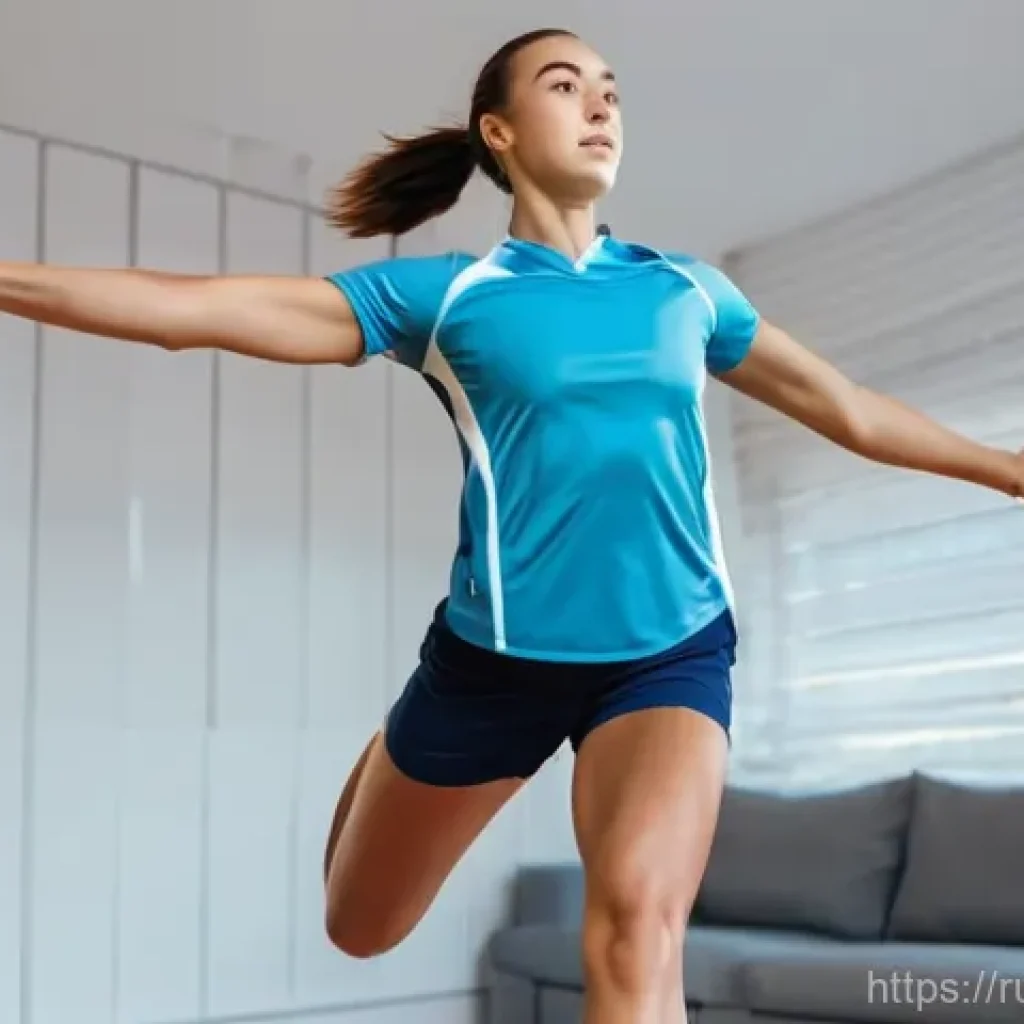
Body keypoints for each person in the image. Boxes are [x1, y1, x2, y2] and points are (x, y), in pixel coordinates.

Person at [1, 26, 1021, 1024]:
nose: (601, 103)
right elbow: (193, 310)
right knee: (360, 926)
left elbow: (848, 408)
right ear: (498, 130)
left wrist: (1008, 470)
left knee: (636, 929)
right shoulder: (445, 298)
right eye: (566, 84)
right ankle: (398, 735)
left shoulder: (686, 292)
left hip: (666, 653)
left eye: (610, 87)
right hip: (489, 664)